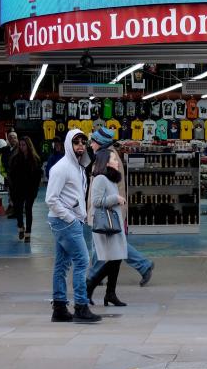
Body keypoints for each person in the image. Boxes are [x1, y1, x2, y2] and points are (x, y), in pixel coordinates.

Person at [86, 127, 155, 287]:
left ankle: (94, 277)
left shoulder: (108, 157)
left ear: (100, 143)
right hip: (108, 207)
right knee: (106, 242)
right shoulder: (105, 155)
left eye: (93, 141)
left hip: (108, 208)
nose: (91, 144)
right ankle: (96, 275)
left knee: (109, 243)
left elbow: (108, 186)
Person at [45, 128, 101, 323]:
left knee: (61, 264)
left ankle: (59, 308)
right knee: (82, 260)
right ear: (69, 144)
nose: (80, 146)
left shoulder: (77, 167)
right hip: (65, 221)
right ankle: (81, 306)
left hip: (66, 220)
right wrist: (69, 217)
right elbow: (51, 199)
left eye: (82, 143)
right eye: (76, 142)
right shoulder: (62, 168)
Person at [86, 149, 128, 307]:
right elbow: (96, 201)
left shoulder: (111, 179)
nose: (117, 162)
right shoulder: (100, 179)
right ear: (105, 162)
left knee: (116, 259)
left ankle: (110, 293)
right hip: (106, 225)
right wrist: (115, 198)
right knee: (113, 260)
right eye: (113, 159)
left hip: (114, 224)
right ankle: (89, 287)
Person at [8, 136, 42, 242]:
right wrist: (12, 188)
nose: (22, 147)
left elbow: (37, 177)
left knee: (28, 209)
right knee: (18, 209)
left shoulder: (35, 160)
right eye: (20, 145)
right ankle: (20, 227)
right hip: (18, 189)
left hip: (30, 190)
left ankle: (28, 233)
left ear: (28, 146)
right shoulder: (15, 159)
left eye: (24, 145)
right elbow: (11, 175)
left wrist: (35, 190)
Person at [5, 131, 20, 218]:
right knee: (12, 194)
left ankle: (17, 212)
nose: (13, 139)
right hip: (10, 175)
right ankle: (15, 211)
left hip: (17, 176)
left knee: (16, 195)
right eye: (11, 138)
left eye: (14, 137)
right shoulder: (8, 149)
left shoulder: (19, 149)